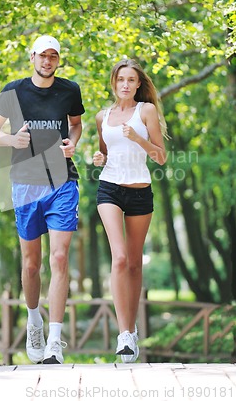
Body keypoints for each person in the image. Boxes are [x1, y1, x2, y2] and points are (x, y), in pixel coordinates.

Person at [0, 35, 85, 364]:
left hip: (62, 181)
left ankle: (55, 341)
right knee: (31, 264)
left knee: (59, 259)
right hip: (25, 184)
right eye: (43, 56)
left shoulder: (70, 90)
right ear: (32, 57)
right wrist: (13, 140)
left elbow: (76, 125)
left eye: (53, 56)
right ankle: (34, 321)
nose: (48, 61)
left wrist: (72, 143)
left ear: (58, 60)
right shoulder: (14, 91)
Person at [93, 58, 167, 363]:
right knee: (120, 258)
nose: (125, 84)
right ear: (114, 82)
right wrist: (98, 157)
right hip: (109, 188)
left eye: (131, 80)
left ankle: (132, 328)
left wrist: (139, 138)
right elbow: (105, 151)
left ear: (139, 84)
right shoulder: (102, 116)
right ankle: (124, 335)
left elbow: (161, 157)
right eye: (120, 79)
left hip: (139, 192)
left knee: (135, 264)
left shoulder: (145, 111)